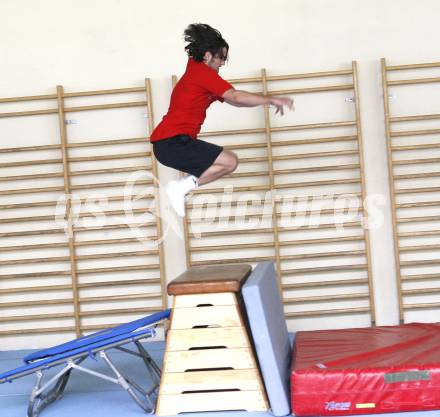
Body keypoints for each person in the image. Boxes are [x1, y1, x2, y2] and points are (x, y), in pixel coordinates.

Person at [150, 23, 294, 217]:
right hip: (172, 141)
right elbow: (235, 96)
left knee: (227, 163)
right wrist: (270, 99)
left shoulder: (197, 74)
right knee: (229, 161)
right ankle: (179, 188)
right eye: (221, 58)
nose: (222, 63)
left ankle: (181, 188)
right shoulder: (202, 73)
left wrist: (264, 103)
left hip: (169, 144)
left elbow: (235, 101)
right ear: (208, 56)